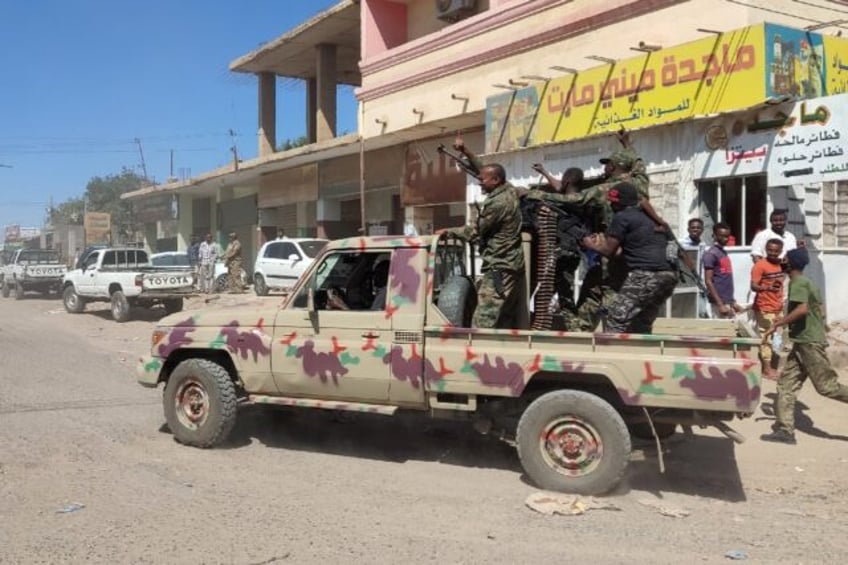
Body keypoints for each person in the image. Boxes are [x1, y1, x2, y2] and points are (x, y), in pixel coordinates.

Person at [760, 248, 848, 444]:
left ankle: (785, 429)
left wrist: (778, 323)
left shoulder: (797, 283)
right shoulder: (807, 283)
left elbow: (802, 309)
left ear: (790, 263)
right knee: (786, 385)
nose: (782, 260)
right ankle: (785, 431)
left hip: (808, 342)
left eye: (785, 258)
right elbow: (820, 310)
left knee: (827, 387)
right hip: (802, 341)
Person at [447, 136, 526, 329]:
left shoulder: (497, 203)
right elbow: (483, 169)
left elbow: (475, 233)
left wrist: (449, 232)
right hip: (509, 265)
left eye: (482, 181)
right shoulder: (508, 190)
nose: (479, 183)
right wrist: (465, 151)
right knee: (504, 318)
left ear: (496, 180)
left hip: (499, 266)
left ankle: (477, 356)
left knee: (483, 321)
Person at [581, 182, 678, 333]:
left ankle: (611, 353)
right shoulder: (650, 218)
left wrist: (591, 245)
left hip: (646, 275)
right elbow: (626, 251)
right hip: (669, 276)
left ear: (618, 203)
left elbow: (609, 252)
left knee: (616, 319)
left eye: (612, 203)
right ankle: (641, 353)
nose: (611, 206)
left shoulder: (622, 217)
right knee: (642, 320)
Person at [750, 238, 786, 380]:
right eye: (770, 250)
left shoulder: (782, 264)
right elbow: (753, 286)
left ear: (780, 251)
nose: (772, 253)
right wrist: (766, 288)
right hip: (764, 308)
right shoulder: (760, 265)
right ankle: (767, 369)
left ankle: (772, 364)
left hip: (778, 307)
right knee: (767, 338)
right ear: (765, 249)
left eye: (776, 251)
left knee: (777, 338)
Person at [703, 222, 743, 319]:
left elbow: (725, 279)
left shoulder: (723, 252)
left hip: (727, 301)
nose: (725, 239)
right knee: (721, 331)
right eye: (722, 236)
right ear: (714, 236)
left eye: (727, 236)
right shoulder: (711, 254)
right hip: (719, 302)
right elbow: (708, 281)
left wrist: (732, 302)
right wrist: (720, 304)